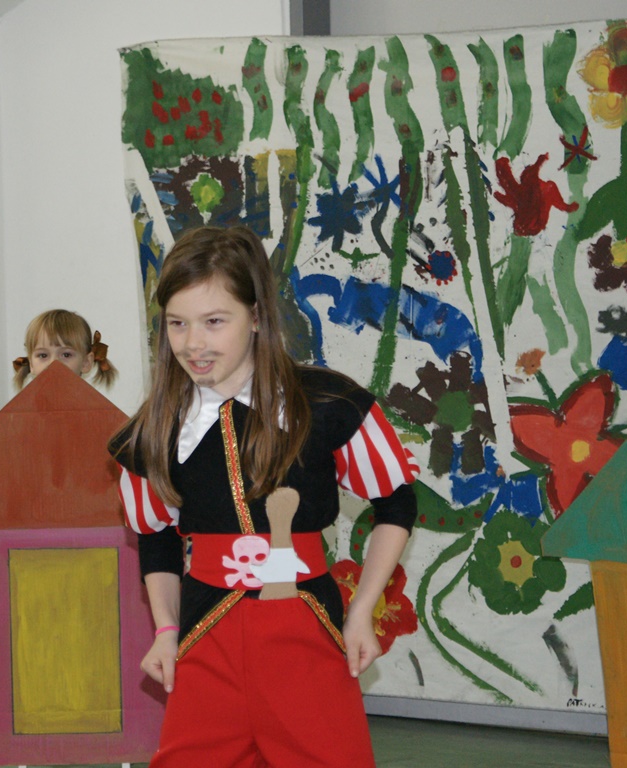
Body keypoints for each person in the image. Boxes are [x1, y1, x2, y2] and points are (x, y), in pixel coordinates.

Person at [109, 226, 420, 767]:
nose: (193, 343)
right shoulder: (152, 432)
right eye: (177, 323)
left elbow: (396, 502)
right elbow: (156, 538)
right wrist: (166, 630)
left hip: (307, 635)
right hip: (206, 639)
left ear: (255, 316)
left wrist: (362, 611)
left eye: (214, 321)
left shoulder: (329, 405)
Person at [12, 309, 118, 390]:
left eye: (66, 355)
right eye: (43, 355)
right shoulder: (22, 410)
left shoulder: (95, 408)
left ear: (86, 362)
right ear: (31, 364)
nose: (53, 364)